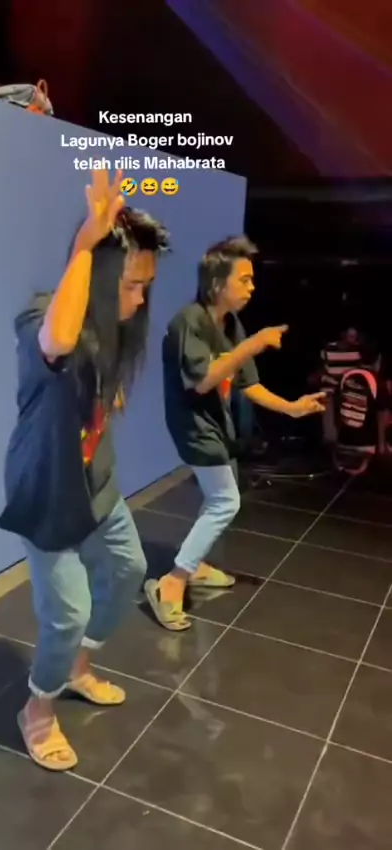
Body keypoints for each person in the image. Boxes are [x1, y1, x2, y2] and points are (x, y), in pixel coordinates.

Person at [0, 169, 170, 771]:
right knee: (67, 611)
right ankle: (36, 710)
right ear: (95, 274)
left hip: (96, 480)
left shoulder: (114, 329)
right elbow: (58, 341)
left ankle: (74, 664)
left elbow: (98, 384)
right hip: (46, 489)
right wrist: (84, 247)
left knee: (129, 569)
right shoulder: (40, 317)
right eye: (131, 285)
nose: (140, 300)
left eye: (146, 286)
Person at [146, 236, 325, 631]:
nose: (252, 287)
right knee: (226, 501)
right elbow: (203, 381)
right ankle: (171, 582)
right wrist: (254, 344)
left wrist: (292, 407)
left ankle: (193, 563)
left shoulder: (230, 324)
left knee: (216, 499)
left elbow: (248, 383)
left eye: (252, 279)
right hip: (194, 427)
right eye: (244, 279)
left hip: (218, 426)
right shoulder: (188, 322)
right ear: (216, 283)